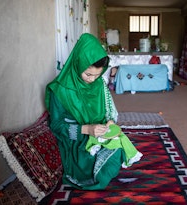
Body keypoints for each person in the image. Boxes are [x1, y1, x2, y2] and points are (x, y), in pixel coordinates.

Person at [45, 33, 142, 190]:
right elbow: (56, 125)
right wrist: (87, 129)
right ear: (77, 64)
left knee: (119, 147)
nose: (91, 79)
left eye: (97, 75)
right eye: (88, 74)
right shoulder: (60, 90)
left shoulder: (99, 85)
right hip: (75, 138)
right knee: (96, 165)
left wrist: (109, 123)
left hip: (98, 134)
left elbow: (108, 113)